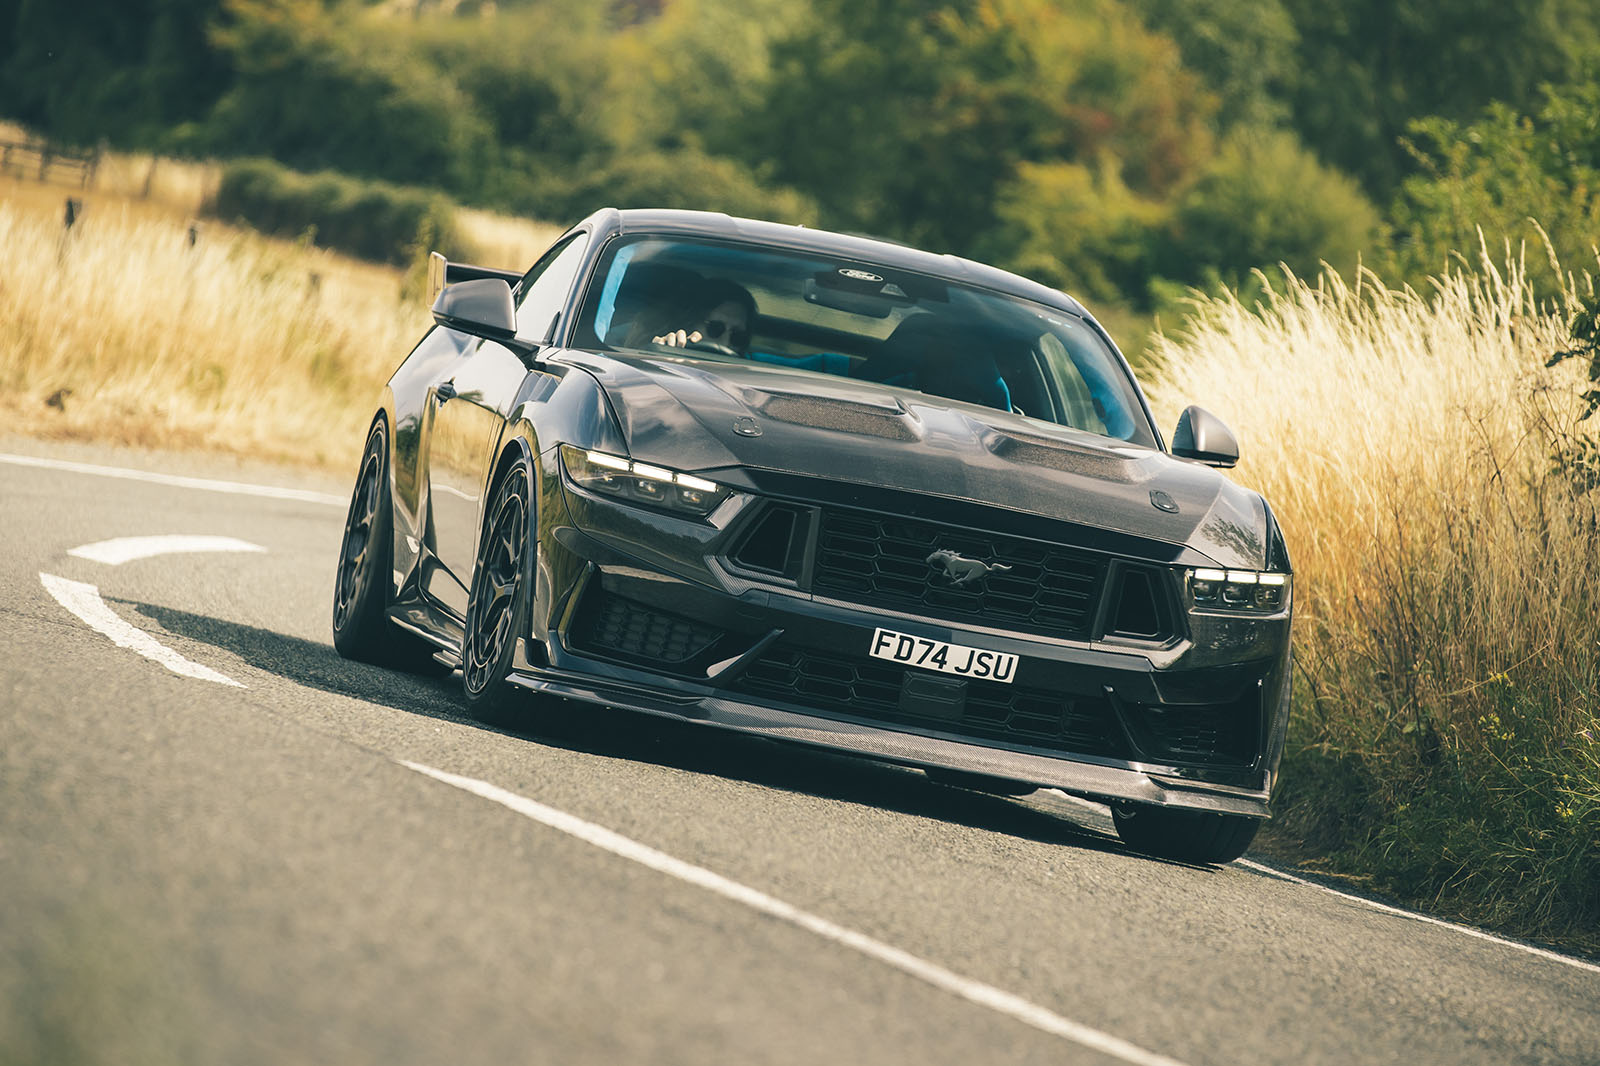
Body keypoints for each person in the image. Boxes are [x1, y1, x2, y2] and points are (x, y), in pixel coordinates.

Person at [650, 278, 756, 356]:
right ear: (690, 323)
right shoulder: (667, 349)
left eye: (738, 336)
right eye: (715, 328)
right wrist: (662, 351)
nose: (725, 342)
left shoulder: (756, 368)